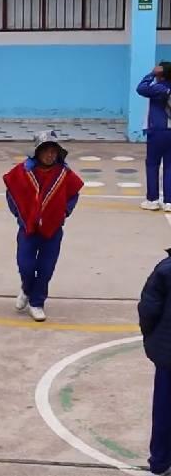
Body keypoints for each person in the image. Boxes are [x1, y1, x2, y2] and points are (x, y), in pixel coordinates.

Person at [4, 130, 83, 322]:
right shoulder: (23, 172)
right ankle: (26, 288)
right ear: (37, 152)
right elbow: (11, 193)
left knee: (46, 268)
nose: (50, 155)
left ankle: (37, 302)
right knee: (26, 266)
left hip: (53, 230)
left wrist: (64, 212)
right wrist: (20, 215)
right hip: (28, 229)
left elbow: (73, 194)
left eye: (53, 151)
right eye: (46, 151)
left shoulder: (64, 174)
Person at [140, 252, 171, 476]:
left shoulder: (166, 269)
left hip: (168, 356)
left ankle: (160, 463)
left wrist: (152, 338)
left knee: (164, 410)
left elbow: (149, 310)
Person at [138, 62, 171, 212]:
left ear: (161, 73)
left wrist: (151, 74)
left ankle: (152, 199)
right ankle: (169, 201)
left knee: (152, 165)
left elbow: (141, 88)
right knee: (170, 167)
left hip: (158, 130)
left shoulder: (160, 88)